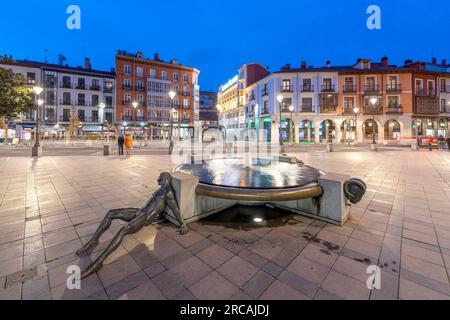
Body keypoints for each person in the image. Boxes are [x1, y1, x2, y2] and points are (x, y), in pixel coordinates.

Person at [76, 172, 188, 279]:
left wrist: (182, 224)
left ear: (166, 180)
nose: (158, 180)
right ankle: (93, 241)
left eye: (160, 179)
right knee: (111, 213)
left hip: (144, 217)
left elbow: (175, 209)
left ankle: (98, 263)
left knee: (123, 231)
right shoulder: (160, 190)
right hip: (140, 211)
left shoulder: (168, 193)